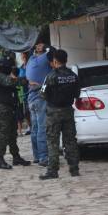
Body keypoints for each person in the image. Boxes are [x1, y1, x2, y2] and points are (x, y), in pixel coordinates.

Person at [39, 49, 80, 180]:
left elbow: (42, 94)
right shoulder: (73, 75)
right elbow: (77, 94)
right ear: (66, 60)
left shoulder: (51, 76)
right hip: (68, 111)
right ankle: (74, 169)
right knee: (70, 141)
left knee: (53, 142)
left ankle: (52, 171)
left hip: (53, 112)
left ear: (55, 61)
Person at [0, 55, 31, 169]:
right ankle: (0, 159)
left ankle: (16, 156)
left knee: (13, 134)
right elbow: (10, 82)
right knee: (4, 133)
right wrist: (24, 80)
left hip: (10, 107)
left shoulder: (2, 75)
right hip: (4, 108)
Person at [26, 42, 52, 166]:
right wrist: (47, 48)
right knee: (42, 128)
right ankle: (43, 157)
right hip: (40, 97)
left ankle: (36, 156)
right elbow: (54, 53)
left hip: (31, 98)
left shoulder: (31, 59)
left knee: (35, 128)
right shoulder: (46, 57)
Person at [19, 52, 31, 135]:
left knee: (31, 110)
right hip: (23, 92)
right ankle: (30, 126)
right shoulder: (20, 68)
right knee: (26, 112)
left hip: (31, 91)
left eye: (25, 56)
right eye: (22, 56)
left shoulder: (30, 66)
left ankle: (33, 126)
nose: (23, 58)